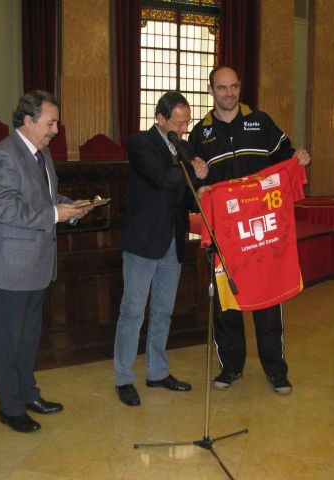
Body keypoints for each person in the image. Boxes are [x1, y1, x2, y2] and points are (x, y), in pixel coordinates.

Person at [189, 65, 310, 395]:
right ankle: (231, 367)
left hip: (261, 232)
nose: (229, 93)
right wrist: (199, 190)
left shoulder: (261, 122)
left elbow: (286, 157)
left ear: (240, 89)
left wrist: (298, 158)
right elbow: (191, 179)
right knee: (227, 303)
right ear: (211, 90)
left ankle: (276, 370)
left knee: (268, 300)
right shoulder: (200, 133)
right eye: (222, 87)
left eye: (234, 87)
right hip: (224, 237)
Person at [0, 91, 93, 431]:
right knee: (8, 341)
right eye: (50, 122)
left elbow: (47, 199)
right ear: (27, 121)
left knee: (28, 337)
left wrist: (72, 208)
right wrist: (55, 213)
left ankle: (27, 393)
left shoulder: (42, 154)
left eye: (56, 122)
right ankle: (10, 407)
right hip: (10, 267)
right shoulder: (3, 155)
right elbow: (5, 208)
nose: (56, 129)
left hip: (36, 264)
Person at [113, 91, 208, 406]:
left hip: (173, 241)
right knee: (132, 311)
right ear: (160, 119)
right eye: (178, 124)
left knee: (164, 311)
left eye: (186, 123)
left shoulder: (185, 148)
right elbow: (162, 178)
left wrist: (202, 189)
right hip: (143, 241)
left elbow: (185, 193)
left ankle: (157, 371)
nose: (183, 129)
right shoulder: (141, 143)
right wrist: (192, 170)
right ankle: (124, 377)